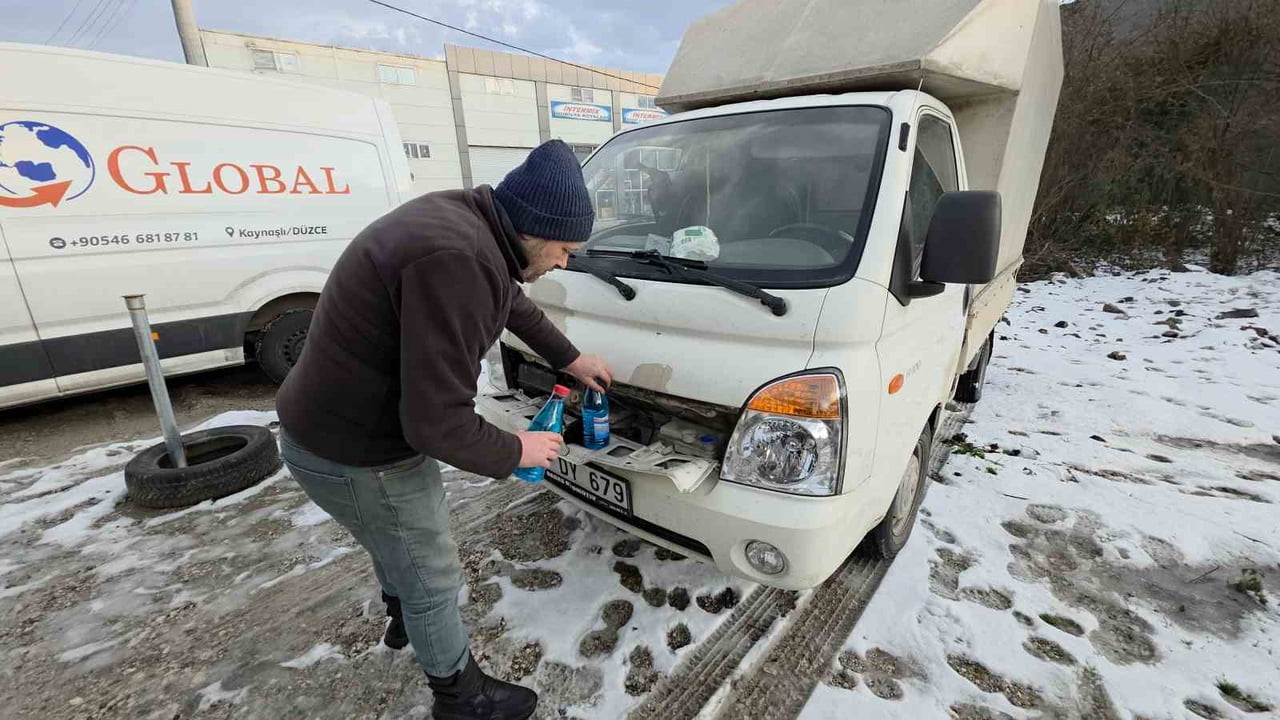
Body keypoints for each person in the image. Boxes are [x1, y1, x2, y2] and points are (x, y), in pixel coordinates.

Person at [275, 139, 612, 720]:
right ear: (534, 230)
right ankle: (462, 697)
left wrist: (569, 357)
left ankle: (406, 618)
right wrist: (517, 448)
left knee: (393, 543)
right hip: (360, 450)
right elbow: (435, 424)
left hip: (318, 430)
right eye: (564, 249)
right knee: (430, 572)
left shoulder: (468, 221)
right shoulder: (461, 260)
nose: (565, 262)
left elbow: (509, 300)